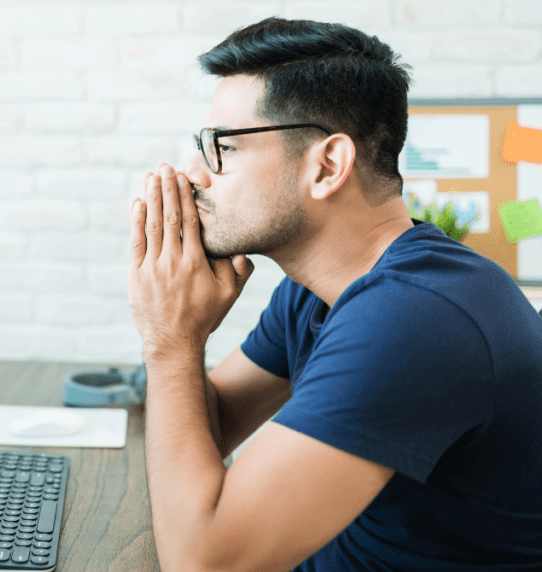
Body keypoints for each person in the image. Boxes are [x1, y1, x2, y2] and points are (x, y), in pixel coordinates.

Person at [127, 17, 542, 572]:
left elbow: (204, 561)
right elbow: (217, 422)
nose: (193, 173)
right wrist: (181, 330)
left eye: (221, 146)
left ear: (327, 165)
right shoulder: (322, 290)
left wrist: (171, 340)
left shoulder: (414, 318)